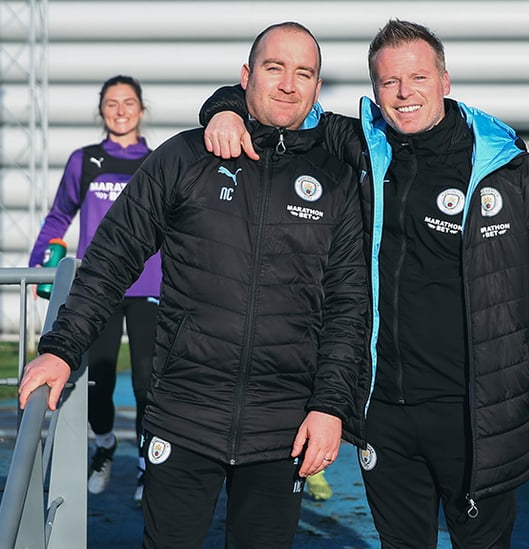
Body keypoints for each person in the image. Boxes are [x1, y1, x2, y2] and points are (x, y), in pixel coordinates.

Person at [200, 18, 529, 548]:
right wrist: (224, 110)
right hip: (386, 417)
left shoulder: (505, 169)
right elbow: (275, 101)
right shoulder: (360, 146)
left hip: (476, 416)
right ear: (374, 90)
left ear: (444, 81)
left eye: (417, 78)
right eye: (388, 82)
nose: (403, 94)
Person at [19, 22, 370, 548]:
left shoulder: (337, 181)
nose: (289, 84)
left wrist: (330, 406)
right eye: (275, 68)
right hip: (184, 416)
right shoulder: (186, 157)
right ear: (246, 77)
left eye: (305, 73)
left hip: (284, 428)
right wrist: (62, 349)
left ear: (317, 89)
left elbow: (347, 307)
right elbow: (112, 255)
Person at [28, 75, 161, 503]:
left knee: (147, 383)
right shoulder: (84, 161)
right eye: (111, 104)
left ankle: (146, 464)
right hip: (100, 284)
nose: (120, 111)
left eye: (128, 103)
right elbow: (58, 216)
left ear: (142, 109)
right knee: (97, 382)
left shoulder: (160, 162)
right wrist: (38, 267)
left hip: (149, 284)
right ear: (101, 110)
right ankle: (104, 444)